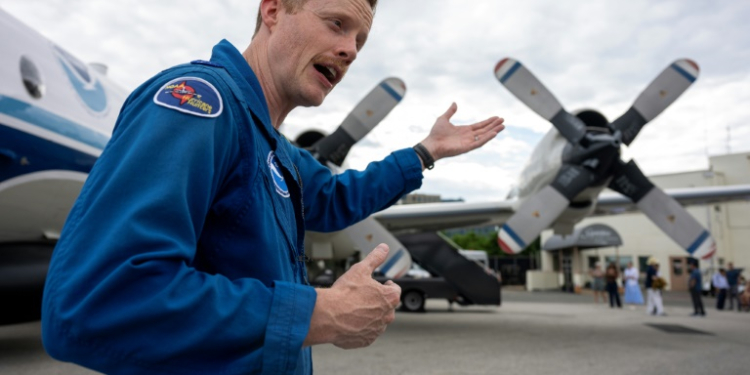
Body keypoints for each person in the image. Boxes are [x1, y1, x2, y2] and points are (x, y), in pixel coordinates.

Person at [40, 1, 506, 374]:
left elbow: (336, 197)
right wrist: (317, 313)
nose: (350, 50)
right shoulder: (201, 104)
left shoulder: (276, 149)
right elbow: (97, 301)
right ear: (273, 10)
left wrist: (424, 152)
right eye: (335, 23)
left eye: (358, 39)